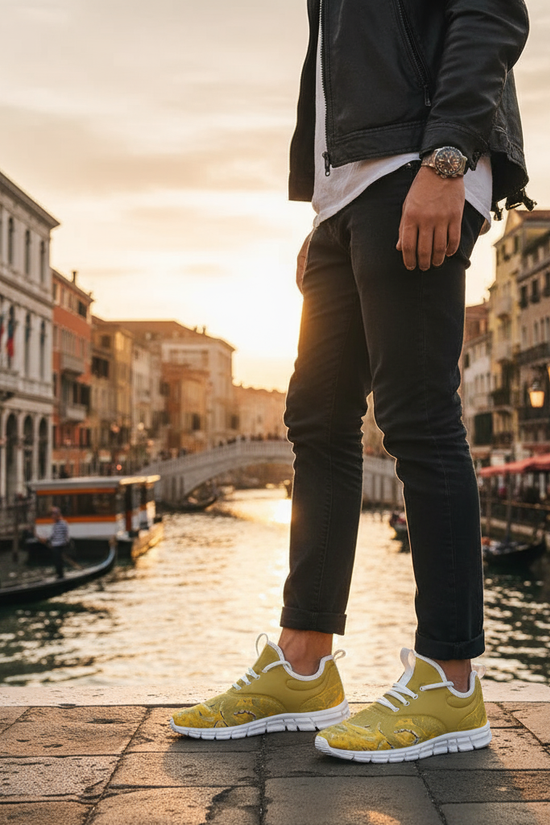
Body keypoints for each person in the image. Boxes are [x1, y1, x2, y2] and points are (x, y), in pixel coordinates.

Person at [171, 0, 531, 762]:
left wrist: (448, 156)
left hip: (418, 168)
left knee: (416, 416)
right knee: (316, 422)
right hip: (345, 193)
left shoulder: (435, 161)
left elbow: (491, 10)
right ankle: (304, 662)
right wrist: (324, 211)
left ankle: (450, 679)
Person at [48, 507, 70, 579]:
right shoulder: (55, 525)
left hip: (60, 545)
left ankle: (60, 575)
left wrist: (66, 542)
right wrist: (50, 541)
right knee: (57, 560)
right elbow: (53, 535)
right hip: (55, 545)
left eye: (54, 515)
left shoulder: (63, 524)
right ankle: (59, 574)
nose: (52, 517)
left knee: (58, 560)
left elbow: (65, 534)